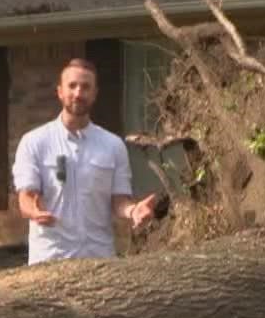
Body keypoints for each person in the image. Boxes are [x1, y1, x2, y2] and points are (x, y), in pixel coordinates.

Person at [11, 58, 159, 264]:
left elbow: (119, 202)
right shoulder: (34, 142)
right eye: (72, 86)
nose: (78, 93)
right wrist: (33, 212)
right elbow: (26, 197)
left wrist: (133, 211)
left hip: (99, 260)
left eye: (85, 87)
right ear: (60, 91)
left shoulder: (113, 146)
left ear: (95, 93)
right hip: (50, 259)